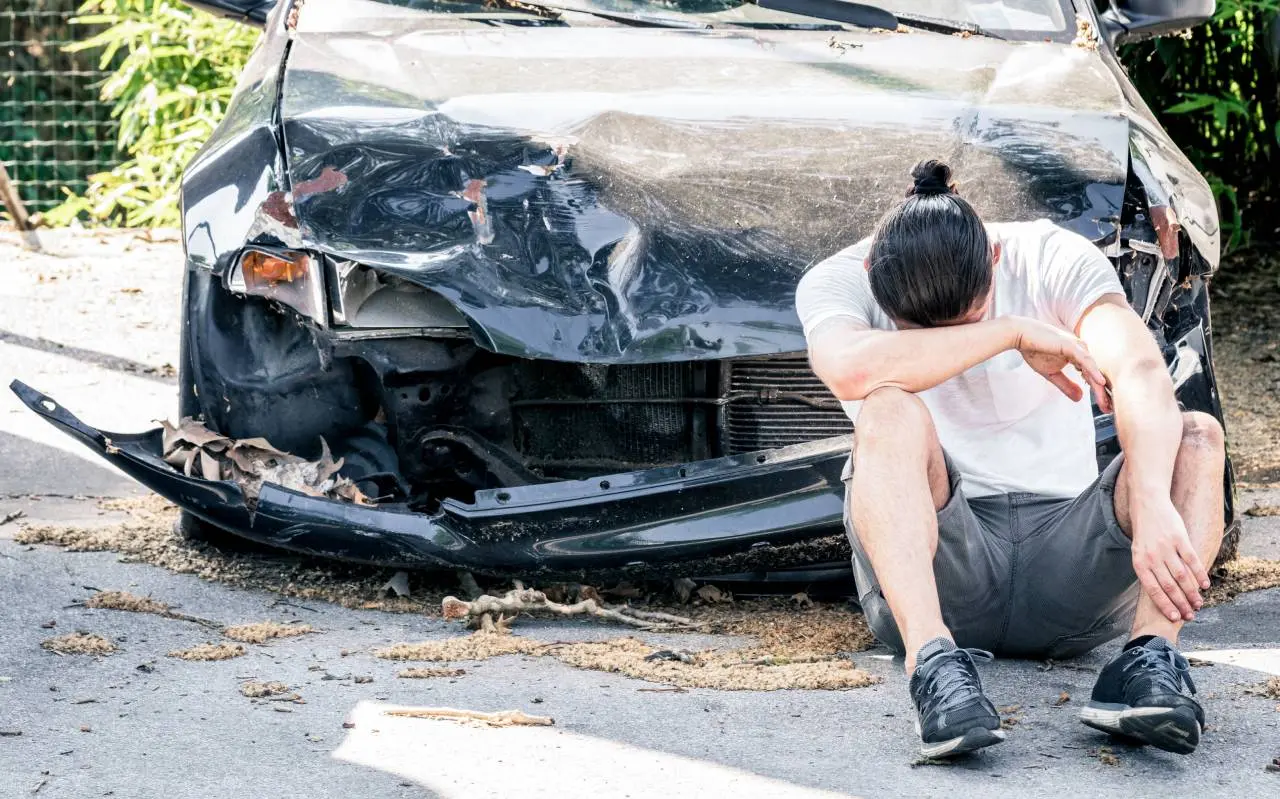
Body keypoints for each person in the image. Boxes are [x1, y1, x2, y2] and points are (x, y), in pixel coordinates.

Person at [795, 160, 1226, 758]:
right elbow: (847, 368)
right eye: (918, 333)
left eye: (970, 319)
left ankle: (1148, 662)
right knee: (887, 408)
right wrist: (1008, 332)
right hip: (943, 570)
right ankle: (935, 669)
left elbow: (1139, 369)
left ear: (994, 258)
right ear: (873, 272)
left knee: (1196, 436)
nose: (948, 343)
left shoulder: (1050, 255)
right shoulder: (837, 278)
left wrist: (1151, 498)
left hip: (1070, 568)